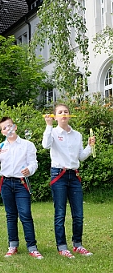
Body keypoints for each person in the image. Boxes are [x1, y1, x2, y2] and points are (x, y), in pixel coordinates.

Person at [42, 103, 95, 258]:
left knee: (78, 214)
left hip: (74, 176)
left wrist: (90, 146)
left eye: (66, 111)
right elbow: (45, 145)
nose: (64, 114)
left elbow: (81, 156)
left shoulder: (77, 135)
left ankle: (77, 245)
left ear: (69, 114)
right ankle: (62, 246)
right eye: (60, 112)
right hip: (58, 175)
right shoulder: (52, 132)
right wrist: (48, 126)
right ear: (55, 116)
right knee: (60, 213)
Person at [0, 116, 44, 259]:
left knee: (25, 214)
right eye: (4, 128)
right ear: (2, 132)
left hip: (21, 183)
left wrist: (29, 170)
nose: (8, 129)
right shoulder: (0, 147)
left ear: (15, 127)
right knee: (10, 215)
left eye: (9, 126)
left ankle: (32, 247)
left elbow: (33, 163)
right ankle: (13, 245)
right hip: (6, 183)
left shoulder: (27, 144)